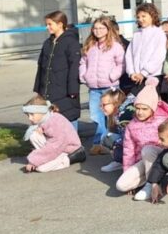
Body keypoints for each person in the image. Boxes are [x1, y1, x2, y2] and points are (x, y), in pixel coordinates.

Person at [115, 84, 168, 199]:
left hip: (163, 157)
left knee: (148, 149)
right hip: (144, 161)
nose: (140, 112)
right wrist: (127, 170)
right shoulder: (131, 126)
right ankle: (147, 178)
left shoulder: (164, 121)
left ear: (153, 108)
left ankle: (151, 183)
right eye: (138, 108)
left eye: (144, 109)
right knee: (121, 185)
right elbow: (128, 151)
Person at [78, 16, 125, 154]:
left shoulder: (115, 46)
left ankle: (103, 142)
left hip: (110, 86)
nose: (97, 31)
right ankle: (101, 142)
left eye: (101, 28)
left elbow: (121, 64)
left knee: (111, 117)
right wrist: (84, 75)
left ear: (108, 29)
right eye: (95, 28)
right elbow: (82, 63)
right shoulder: (90, 46)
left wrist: (112, 76)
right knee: (96, 116)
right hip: (93, 87)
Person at [33, 11, 82, 130]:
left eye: (50, 24)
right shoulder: (47, 43)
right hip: (49, 90)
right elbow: (41, 67)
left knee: (68, 118)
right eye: (47, 24)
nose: (47, 27)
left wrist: (73, 91)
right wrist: (39, 89)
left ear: (60, 24)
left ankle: (74, 147)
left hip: (65, 91)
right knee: (51, 123)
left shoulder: (71, 42)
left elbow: (74, 67)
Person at [21, 95, 84, 173]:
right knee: (33, 134)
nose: (30, 118)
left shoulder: (55, 122)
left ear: (42, 112)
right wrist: (42, 129)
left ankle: (71, 158)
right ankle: (46, 159)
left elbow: (54, 147)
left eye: (32, 115)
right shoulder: (45, 119)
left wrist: (33, 161)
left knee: (41, 168)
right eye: (28, 115)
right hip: (58, 147)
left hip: (69, 149)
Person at [124, 3, 165, 94]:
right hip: (136, 77)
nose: (140, 19)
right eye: (138, 17)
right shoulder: (136, 34)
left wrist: (143, 73)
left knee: (147, 106)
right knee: (133, 105)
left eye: (144, 16)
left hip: (152, 76)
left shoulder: (159, 33)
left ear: (152, 16)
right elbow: (129, 55)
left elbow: (158, 56)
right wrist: (131, 72)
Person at [97, 89, 133, 173]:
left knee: (109, 138)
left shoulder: (124, 116)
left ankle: (126, 162)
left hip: (134, 145)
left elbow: (129, 139)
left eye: (104, 105)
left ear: (116, 103)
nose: (101, 108)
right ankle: (119, 161)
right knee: (108, 137)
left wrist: (117, 143)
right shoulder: (116, 114)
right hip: (126, 142)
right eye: (100, 105)